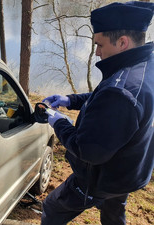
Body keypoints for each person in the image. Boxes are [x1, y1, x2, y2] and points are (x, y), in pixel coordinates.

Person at [41, 2, 154, 225]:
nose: (97, 53)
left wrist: (59, 122)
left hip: (100, 178)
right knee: (113, 213)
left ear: (122, 42)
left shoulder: (121, 92)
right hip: (129, 169)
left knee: (53, 207)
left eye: (99, 45)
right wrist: (71, 100)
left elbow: (87, 150)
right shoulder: (144, 65)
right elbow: (107, 96)